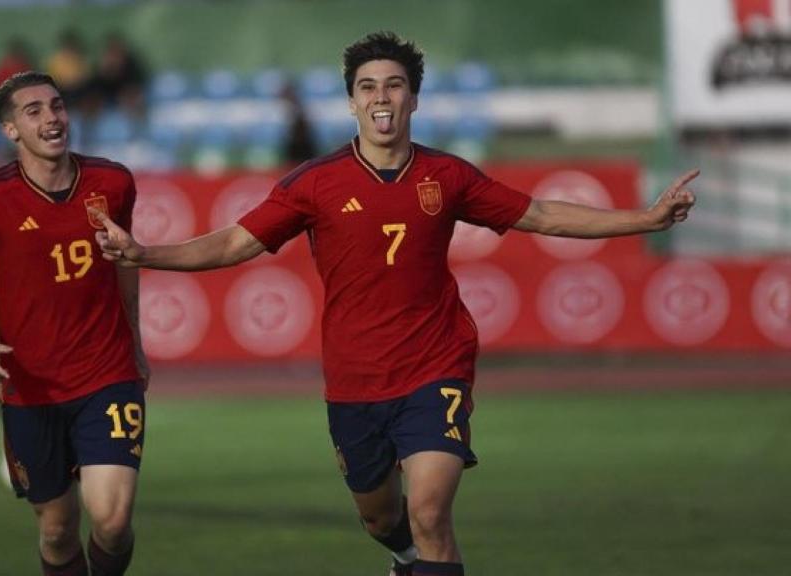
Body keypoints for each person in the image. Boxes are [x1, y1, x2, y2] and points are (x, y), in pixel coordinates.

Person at [88, 31, 697, 576]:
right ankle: (403, 558)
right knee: (382, 519)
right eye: (368, 86)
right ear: (352, 101)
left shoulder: (449, 175)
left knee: (432, 514)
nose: (382, 96)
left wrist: (643, 219)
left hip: (437, 365)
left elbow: (540, 214)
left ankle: (420, 552)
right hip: (355, 382)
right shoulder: (314, 183)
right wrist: (145, 254)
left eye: (395, 85)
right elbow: (233, 243)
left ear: (414, 100)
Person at [0, 71, 149, 576]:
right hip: (30, 389)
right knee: (57, 529)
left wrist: (136, 343)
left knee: (114, 518)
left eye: (56, 106)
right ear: (11, 130)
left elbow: (124, 263)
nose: (52, 118)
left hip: (107, 374)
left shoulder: (113, 182)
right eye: (33, 111)